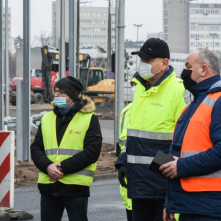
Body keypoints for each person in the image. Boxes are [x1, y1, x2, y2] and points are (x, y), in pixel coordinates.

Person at [115, 38, 186, 221]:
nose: (143, 65)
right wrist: (125, 160)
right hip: (139, 183)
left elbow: (184, 139)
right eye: (142, 61)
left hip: (163, 182)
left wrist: (157, 165)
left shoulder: (179, 90)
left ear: (164, 64)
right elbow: (134, 131)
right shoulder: (140, 87)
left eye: (148, 61)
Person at [160, 49, 221, 221]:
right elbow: (176, 154)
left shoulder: (218, 101)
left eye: (188, 66)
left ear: (203, 70)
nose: (184, 72)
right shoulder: (193, 105)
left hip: (210, 208)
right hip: (191, 205)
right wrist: (170, 202)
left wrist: (182, 167)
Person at [30, 76, 102, 221]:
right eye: (56, 91)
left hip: (74, 187)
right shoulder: (47, 118)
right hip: (49, 186)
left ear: (73, 95)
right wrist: (48, 166)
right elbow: (36, 148)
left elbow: (92, 152)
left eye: (62, 92)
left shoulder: (89, 119)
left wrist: (61, 169)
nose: (57, 95)